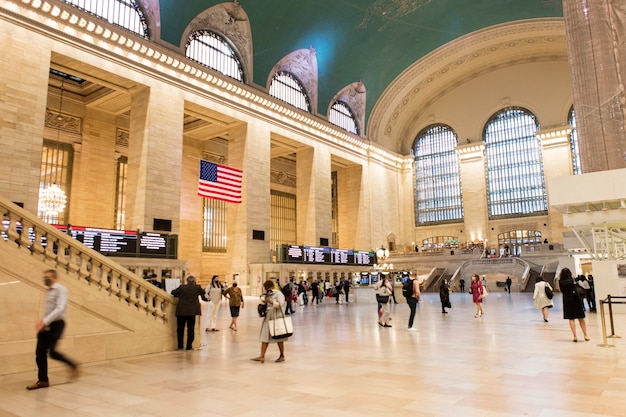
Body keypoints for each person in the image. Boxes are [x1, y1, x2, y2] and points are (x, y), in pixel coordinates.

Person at [27, 269, 79, 390]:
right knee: (40, 352)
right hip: (47, 325)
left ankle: (72, 365)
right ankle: (43, 380)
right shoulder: (48, 291)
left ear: (54, 278)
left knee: (53, 352)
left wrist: (44, 321)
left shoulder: (61, 289)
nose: (45, 279)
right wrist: (44, 322)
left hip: (57, 324)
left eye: (48, 277)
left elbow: (60, 308)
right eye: (44, 276)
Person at [252, 280, 289, 363]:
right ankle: (262, 355)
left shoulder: (278, 294)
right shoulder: (267, 294)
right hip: (268, 317)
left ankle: (282, 355)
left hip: (276, 317)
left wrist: (271, 302)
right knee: (265, 335)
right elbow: (265, 302)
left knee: (279, 337)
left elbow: (281, 304)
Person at [172, 275, 207, 350]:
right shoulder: (197, 287)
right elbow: (203, 292)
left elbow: (173, 292)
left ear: (187, 281)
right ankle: (189, 346)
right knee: (191, 329)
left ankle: (180, 346)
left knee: (180, 329)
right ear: (194, 281)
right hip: (192, 311)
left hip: (181, 311)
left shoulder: (182, 287)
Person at [559, 268, 589, 342]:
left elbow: (562, 291)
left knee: (571, 319)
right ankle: (585, 335)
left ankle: (575, 336)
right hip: (575, 299)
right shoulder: (572, 280)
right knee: (580, 318)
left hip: (567, 300)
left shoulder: (560, 282)